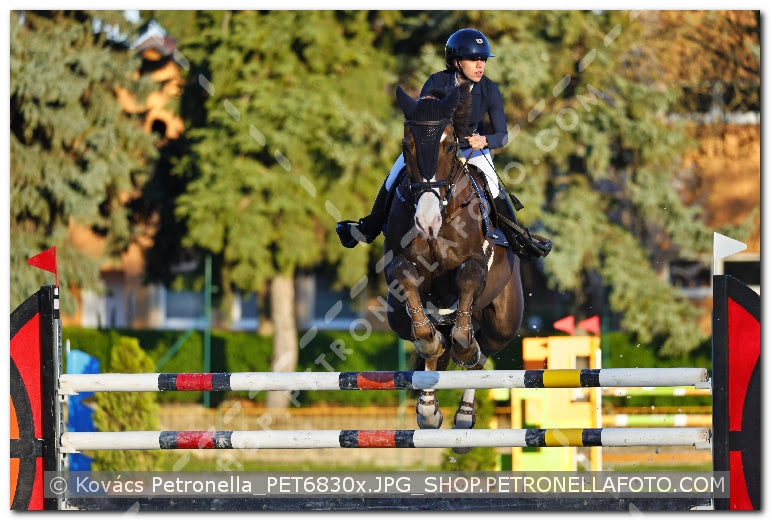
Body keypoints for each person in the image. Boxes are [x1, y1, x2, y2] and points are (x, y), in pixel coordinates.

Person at [336, 28, 551, 259]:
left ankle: (518, 239)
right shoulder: (437, 81)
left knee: (494, 187)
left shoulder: (489, 89)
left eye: (483, 60)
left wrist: (484, 140)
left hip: (472, 150)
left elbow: (503, 135)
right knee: (394, 175)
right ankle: (368, 227)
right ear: (457, 62)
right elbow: (422, 117)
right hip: (436, 148)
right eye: (473, 59)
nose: (480, 65)